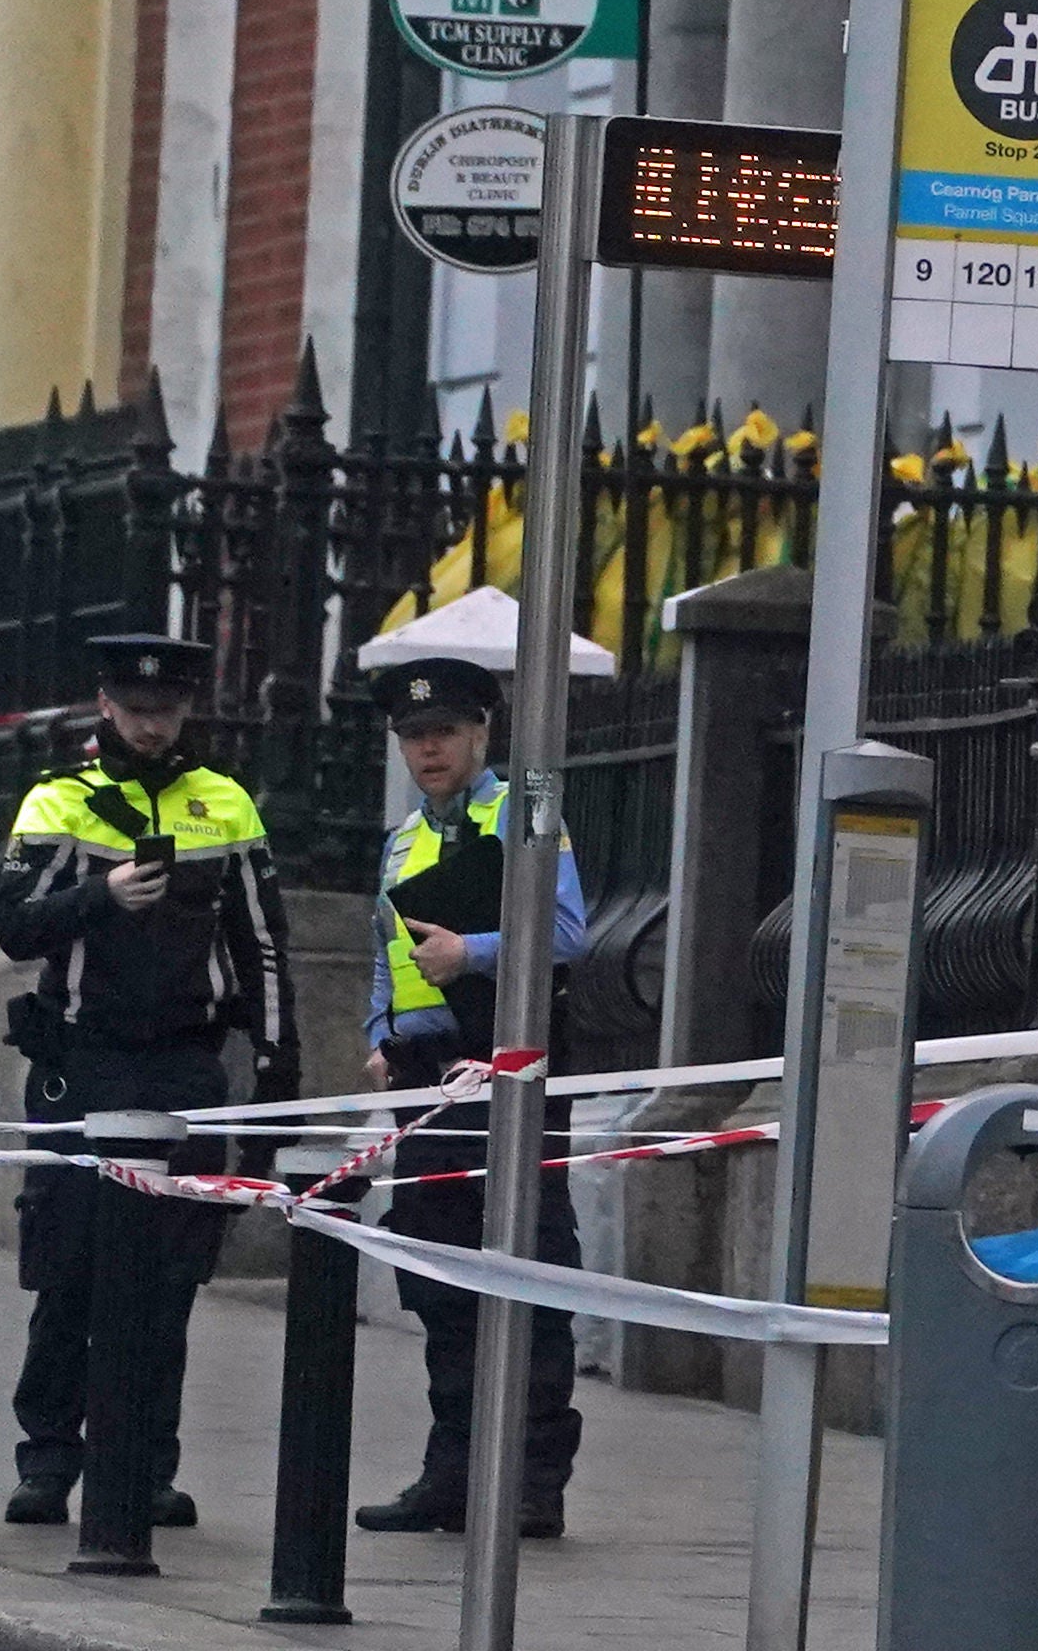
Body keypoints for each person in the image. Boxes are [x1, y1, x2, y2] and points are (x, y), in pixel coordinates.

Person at [0, 634, 295, 1529]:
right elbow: (14, 928)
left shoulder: (225, 804)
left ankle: (145, 1464)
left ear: (186, 712)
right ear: (106, 705)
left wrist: (278, 1078)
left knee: (170, 1278)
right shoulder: (61, 801)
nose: (152, 727)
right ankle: (48, 1460)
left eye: (166, 712)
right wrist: (101, 895)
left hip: (183, 1063)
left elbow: (264, 949)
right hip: (84, 1060)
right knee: (69, 1267)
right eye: (136, 710)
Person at [354, 656, 587, 1542]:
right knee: (439, 1277)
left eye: (444, 732)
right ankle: (450, 1473)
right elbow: (384, 946)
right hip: (424, 1084)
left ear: (482, 732)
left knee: (528, 1269)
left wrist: (474, 954)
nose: (429, 750)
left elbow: (568, 932)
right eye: (414, 737)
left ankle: (532, 1479)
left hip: (510, 1071)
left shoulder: (522, 810)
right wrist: (381, 1032)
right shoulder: (401, 840)